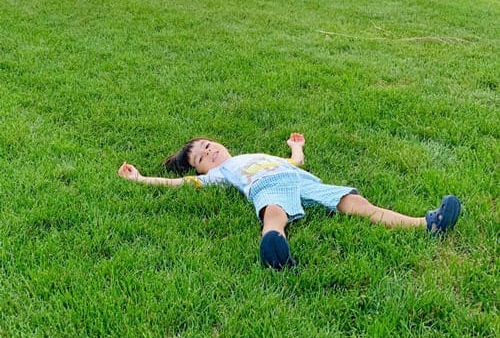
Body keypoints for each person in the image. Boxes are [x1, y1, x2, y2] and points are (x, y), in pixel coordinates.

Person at [118, 132, 461, 270]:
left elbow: (294, 163)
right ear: (203, 169)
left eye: (208, 145)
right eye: (201, 157)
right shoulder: (222, 173)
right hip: (266, 185)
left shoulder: (253, 153)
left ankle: (426, 224)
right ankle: (275, 248)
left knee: (354, 200)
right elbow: (184, 184)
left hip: (300, 179)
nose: (209, 152)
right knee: (275, 212)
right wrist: (141, 178)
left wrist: (296, 147)